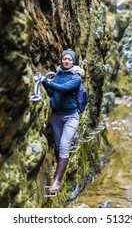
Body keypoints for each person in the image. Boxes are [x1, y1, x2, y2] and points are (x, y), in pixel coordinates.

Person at [42, 50, 82, 193]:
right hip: (56, 116)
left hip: (71, 117)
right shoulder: (57, 75)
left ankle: (57, 182)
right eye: (64, 59)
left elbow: (65, 89)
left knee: (65, 145)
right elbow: (53, 93)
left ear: (73, 62)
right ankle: (58, 171)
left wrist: (48, 82)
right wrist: (46, 85)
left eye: (69, 60)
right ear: (61, 60)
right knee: (59, 146)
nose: (67, 61)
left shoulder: (76, 77)